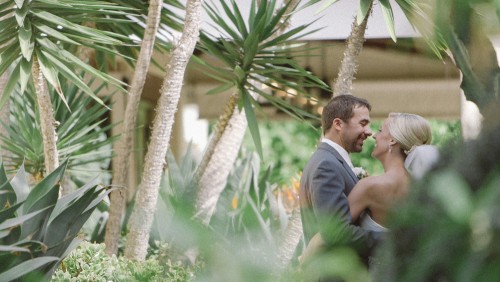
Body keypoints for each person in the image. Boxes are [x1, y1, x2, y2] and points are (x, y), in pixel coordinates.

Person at [300, 112, 436, 264]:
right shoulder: (423, 189)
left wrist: (304, 259)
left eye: (380, 130)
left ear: (392, 141)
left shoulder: (371, 186)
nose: (374, 136)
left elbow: (333, 232)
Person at [299, 94, 379, 270]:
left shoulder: (329, 160)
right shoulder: (326, 165)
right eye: (363, 123)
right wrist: (390, 239)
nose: (369, 132)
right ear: (338, 124)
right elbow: (337, 233)